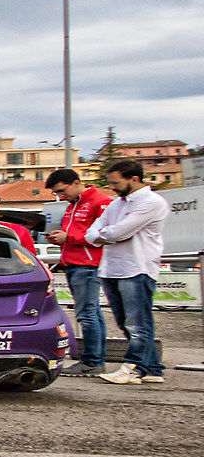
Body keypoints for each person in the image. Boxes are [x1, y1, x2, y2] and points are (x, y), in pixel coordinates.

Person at [91, 159, 167, 385]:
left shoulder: (152, 202)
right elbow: (91, 233)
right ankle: (153, 368)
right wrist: (105, 234)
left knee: (137, 323)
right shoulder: (116, 204)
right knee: (126, 322)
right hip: (113, 267)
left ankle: (134, 367)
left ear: (134, 179)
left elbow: (119, 232)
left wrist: (104, 235)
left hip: (137, 268)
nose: (112, 187)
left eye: (116, 183)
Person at [45, 168, 113, 375]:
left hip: (87, 264)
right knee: (92, 313)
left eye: (62, 191)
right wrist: (61, 238)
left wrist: (69, 238)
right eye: (56, 194)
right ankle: (95, 360)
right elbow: (77, 233)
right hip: (75, 263)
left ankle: (92, 361)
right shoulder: (74, 205)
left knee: (87, 314)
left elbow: (104, 236)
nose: (60, 197)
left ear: (75, 182)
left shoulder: (99, 202)